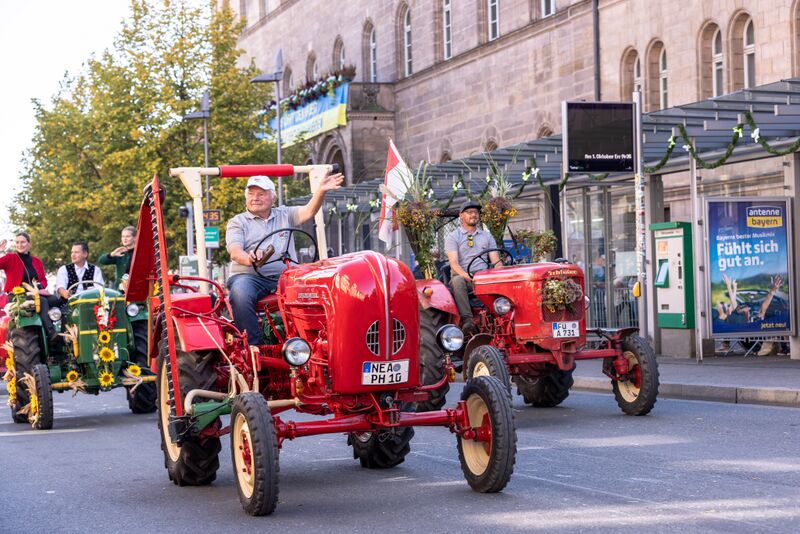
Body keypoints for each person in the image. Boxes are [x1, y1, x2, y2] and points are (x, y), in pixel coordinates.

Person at [226, 172, 343, 345]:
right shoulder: (238, 222)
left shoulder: (284, 214)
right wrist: (249, 258)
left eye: (261, 194)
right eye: (251, 194)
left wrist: (321, 191)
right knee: (240, 294)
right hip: (250, 277)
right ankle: (253, 347)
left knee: (318, 290)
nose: (255, 198)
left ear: (272, 198)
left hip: (284, 277)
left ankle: (318, 341)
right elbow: (235, 250)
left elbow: (309, 211)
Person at [444, 200, 501, 335]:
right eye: (469, 212)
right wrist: (468, 277)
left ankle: (501, 314)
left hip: (483, 275)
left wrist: (499, 276)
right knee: (457, 281)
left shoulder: (486, 236)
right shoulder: (453, 237)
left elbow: (496, 261)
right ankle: (467, 320)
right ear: (461, 216)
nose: (473, 215)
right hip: (463, 277)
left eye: (475, 212)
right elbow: (454, 263)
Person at [0, 232, 59, 341]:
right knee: (43, 302)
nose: (20, 245)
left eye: (23, 242)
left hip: (35, 292)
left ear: (29, 244)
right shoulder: (10, 258)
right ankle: (50, 332)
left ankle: (62, 329)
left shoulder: (36, 261)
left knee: (56, 300)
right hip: (17, 294)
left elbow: (43, 280)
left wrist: (39, 287)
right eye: (17, 242)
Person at [99, 226, 136, 291]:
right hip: (120, 290)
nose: (125, 239)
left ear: (135, 238)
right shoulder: (121, 252)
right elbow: (101, 261)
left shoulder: (139, 252)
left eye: (127, 236)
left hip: (135, 289)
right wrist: (112, 254)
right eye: (123, 236)